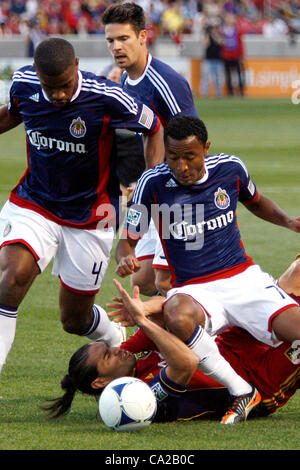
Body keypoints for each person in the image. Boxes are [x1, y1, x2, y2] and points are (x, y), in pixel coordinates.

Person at [115, 115, 300, 424]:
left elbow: (256, 201)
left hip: (243, 279)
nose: (182, 166)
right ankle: (241, 390)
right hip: (194, 289)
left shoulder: (230, 169)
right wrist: (126, 256)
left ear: (206, 149)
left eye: (190, 156)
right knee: (176, 312)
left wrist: (288, 222)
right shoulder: (153, 183)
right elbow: (127, 238)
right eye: (173, 157)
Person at [0, 37, 165, 377]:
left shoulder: (107, 97)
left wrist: (149, 179)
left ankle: (112, 334)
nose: (58, 95)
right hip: (35, 203)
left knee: (73, 319)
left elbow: (154, 127)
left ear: (76, 66)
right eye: (51, 88)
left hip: (91, 218)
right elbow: (13, 114)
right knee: (10, 279)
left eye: (63, 86)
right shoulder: (23, 84)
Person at [44, 279, 300, 423]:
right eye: (107, 356)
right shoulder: (139, 399)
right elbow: (187, 362)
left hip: (236, 342)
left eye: (108, 348)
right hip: (260, 383)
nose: (116, 350)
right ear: (101, 381)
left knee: (291, 280)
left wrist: (142, 308)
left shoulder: (129, 353)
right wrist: (144, 321)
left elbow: (170, 308)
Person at [101, 2, 199, 296]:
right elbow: (150, 135)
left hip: (182, 191)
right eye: (110, 41)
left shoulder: (165, 81)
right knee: (142, 281)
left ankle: (205, 335)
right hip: (158, 189)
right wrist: (145, 180)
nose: (116, 47)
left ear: (143, 37)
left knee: (168, 281)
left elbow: (194, 140)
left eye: (124, 39)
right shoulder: (128, 82)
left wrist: (176, 186)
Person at [221, 13, 245, 97]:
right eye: (228, 18)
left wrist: (241, 55)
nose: (230, 20)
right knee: (228, 74)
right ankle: (230, 92)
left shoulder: (237, 29)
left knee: (239, 74)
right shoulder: (223, 30)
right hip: (227, 55)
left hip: (236, 55)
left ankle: (241, 91)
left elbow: (240, 43)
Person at [201, 20, 224, 98]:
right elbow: (205, 44)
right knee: (206, 78)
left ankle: (218, 94)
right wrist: (208, 35)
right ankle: (204, 93)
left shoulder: (218, 35)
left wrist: (215, 35)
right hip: (208, 59)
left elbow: (221, 42)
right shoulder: (206, 36)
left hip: (218, 59)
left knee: (218, 78)